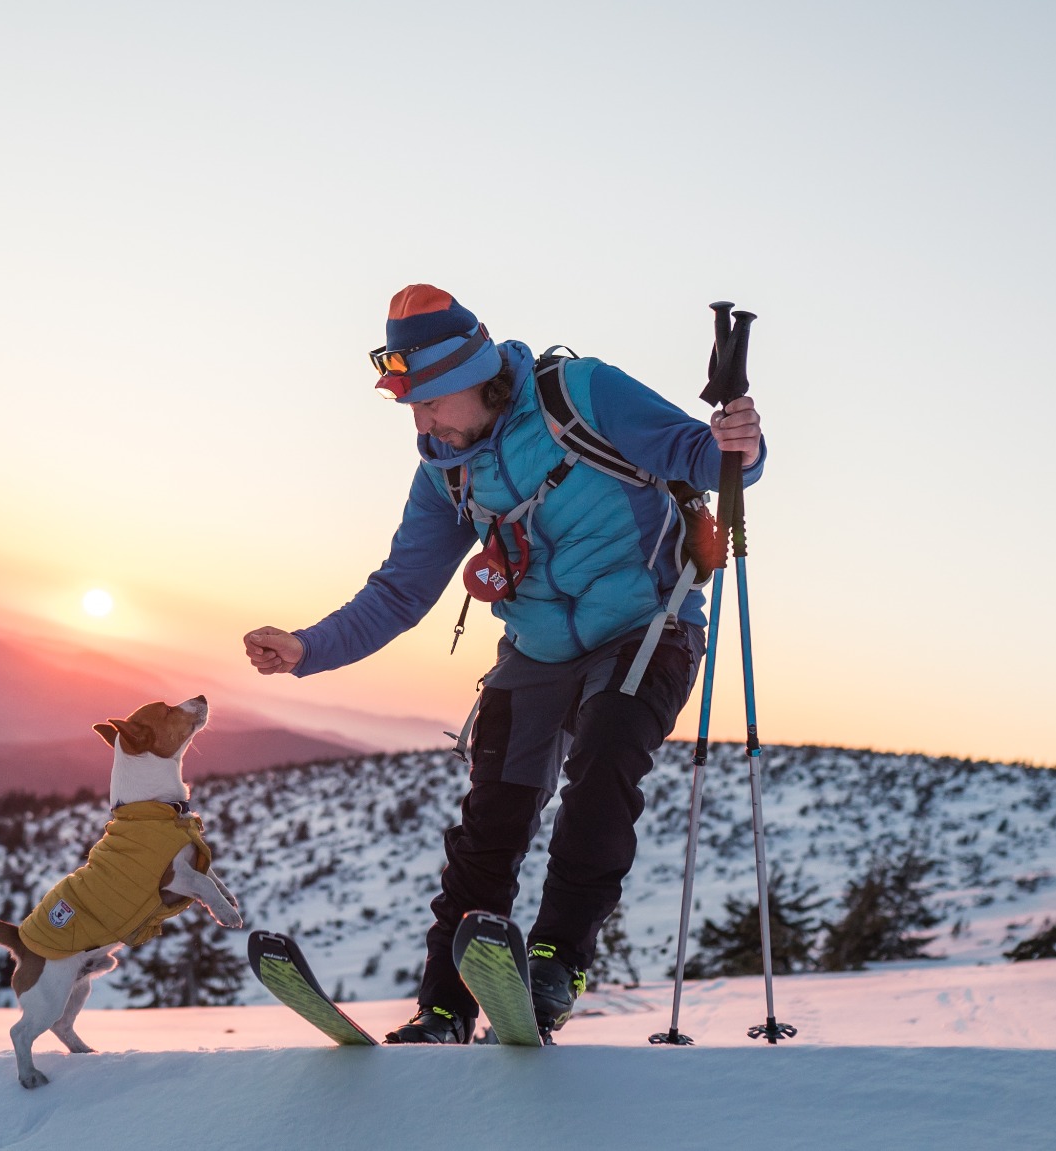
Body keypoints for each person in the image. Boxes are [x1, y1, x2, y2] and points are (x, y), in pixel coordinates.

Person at [243, 285, 763, 1043]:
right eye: (411, 407)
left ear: (478, 375)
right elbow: (400, 591)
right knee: (492, 817)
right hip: (537, 649)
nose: (420, 422)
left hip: (648, 626)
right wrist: (307, 646)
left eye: (429, 402)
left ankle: (556, 963)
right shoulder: (445, 470)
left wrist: (741, 443)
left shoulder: (581, 395)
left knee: (604, 767)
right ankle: (445, 1004)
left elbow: (707, 458)